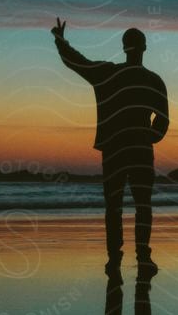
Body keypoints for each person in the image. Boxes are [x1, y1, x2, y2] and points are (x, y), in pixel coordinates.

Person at [51, 19, 169, 274]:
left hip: (114, 150)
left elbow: (77, 62)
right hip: (139, 151)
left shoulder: (108, 73)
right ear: (144, 48)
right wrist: (149, 137)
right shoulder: (153, 80)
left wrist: (61, 42)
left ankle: (115, 259)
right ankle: (142, 257)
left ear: (124, 47)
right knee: (142, 205)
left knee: (114, 206)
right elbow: (163, 120)